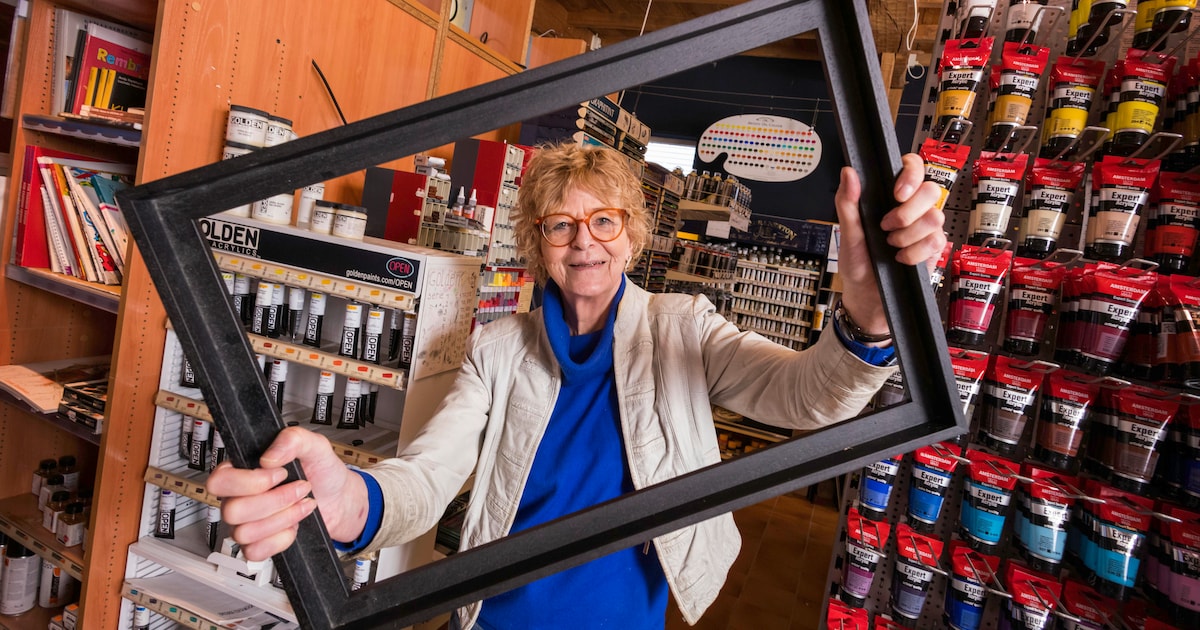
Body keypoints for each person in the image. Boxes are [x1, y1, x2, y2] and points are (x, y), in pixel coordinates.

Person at [208, 142, 947, 629]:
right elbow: (429, 476)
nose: (584, 240)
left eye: (603, 221)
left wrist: (868, 315)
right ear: (537, 244)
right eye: (559, 226)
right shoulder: (498, 350)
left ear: (632, 233)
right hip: (496, 619)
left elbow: (806, 397)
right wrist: (350, 502)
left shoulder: (683, 328)